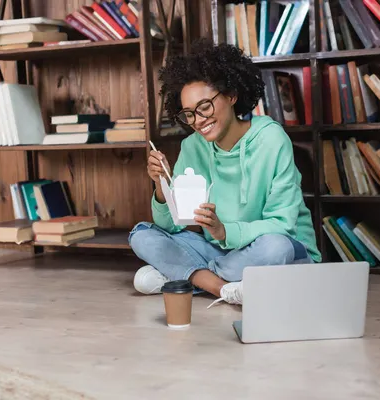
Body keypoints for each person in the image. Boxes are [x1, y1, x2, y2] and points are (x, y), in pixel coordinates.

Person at [128, 39, 321, 307]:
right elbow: (172, 226)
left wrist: (222, 231)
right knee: (142, 235)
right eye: (188, 114)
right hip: (222, 252)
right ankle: (224, 288)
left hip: (280, 250)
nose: (198, 121)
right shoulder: (192, 147)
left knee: (277, 247)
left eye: (204, 107)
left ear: (231, 95)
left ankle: (187, 277)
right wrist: (162, 187)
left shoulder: (271, 139)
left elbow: (282, 224)